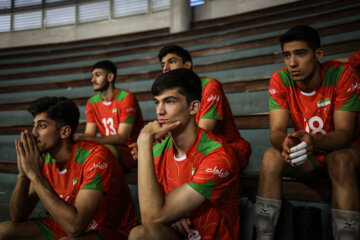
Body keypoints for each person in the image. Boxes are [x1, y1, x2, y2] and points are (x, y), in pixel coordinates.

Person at [254, 25, 360, 240]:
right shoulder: (281, 79)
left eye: (300, 53)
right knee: (271, 157)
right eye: (287, 55)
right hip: (309, 152)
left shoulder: (342, 74)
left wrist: (314, 140)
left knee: (339, 160)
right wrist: (285, 142)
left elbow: (345, 134)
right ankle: (264, 236)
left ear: (318, 54)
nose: (292, 62)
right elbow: (276, 131)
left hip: (344, 150)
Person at [0, 97, 138, 240]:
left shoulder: (96, 157)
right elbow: (17, 215)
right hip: (64, 223)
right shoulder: (45, 158)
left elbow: (75, 227)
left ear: (65, 132)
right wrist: (23, 175)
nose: (33, 133)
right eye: (34, 125)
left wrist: (35, 175)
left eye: (42, 126)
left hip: (109, 229)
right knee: (4, 231)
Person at [128, 68, 240, 240]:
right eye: (157, 102)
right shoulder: (158, 149)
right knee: (140, 234)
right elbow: (152, 213)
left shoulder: (218, 156)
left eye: (169, 101)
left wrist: (143, 141)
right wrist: (171, 213)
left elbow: (151, 215)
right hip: (178, 235)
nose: (160, 111)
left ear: (193, 107)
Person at [157, 45, 251, 170]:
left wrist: (155, 141)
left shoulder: (209, 85)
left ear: (187, 65)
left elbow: (204, 131)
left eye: (172, 62)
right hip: (192, 147)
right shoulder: (172, 94)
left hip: (227, 147)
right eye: (163, 65)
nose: (165, 68)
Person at [75, 60, 144, 171]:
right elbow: (89, 133)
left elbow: (122, 137)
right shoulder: (92, 102)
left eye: (97, 75)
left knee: (100, 153)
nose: (92, 80)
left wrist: (89, 139)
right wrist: (79, 138)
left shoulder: (126, 97)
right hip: (108, 146)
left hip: (131, 150)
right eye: (92, 76)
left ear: (110, 77)